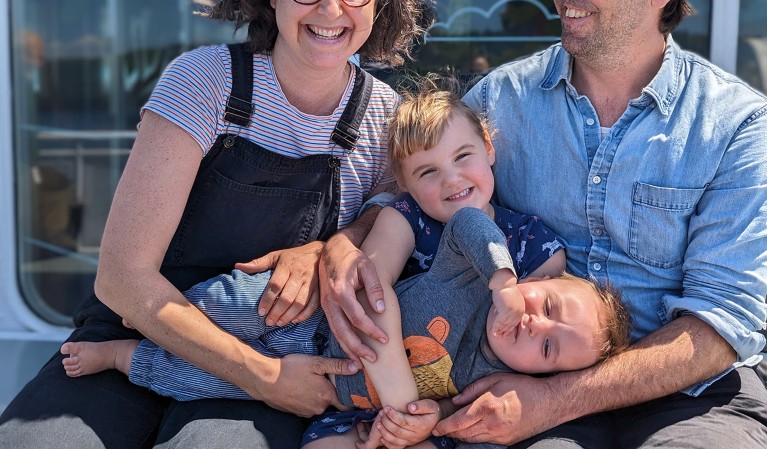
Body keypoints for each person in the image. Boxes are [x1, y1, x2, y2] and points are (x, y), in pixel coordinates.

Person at [320, 0, 767, 448]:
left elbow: (721, 325)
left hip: (688, 397)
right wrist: (343, 242)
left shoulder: (737, 124)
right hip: (507, 378)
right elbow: (419, 196)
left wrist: (558, 398)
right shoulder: (498, 101)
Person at [0, 0, 430, 449]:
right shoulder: (206, 82)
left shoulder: (384, 115)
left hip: (276, 344)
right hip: (144, 328)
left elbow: (386, 218)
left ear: (378, 1)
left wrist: (330, 246)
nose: (331, 9)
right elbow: (122, 279)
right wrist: (264, 378)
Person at [57, 89, 631, 449]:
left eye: (462, 159)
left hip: (339, 388)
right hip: (323, 324)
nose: (452, 182)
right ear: (402, 181)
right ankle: (144, 319)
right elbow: (370, 292)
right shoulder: (419, 219)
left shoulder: (537, 282)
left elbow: (517, 368)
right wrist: (408, 405)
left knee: (203, 380)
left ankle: (124, 357)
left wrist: (422, 418)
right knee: (228, 304)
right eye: (427, 171)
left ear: (489, 148)